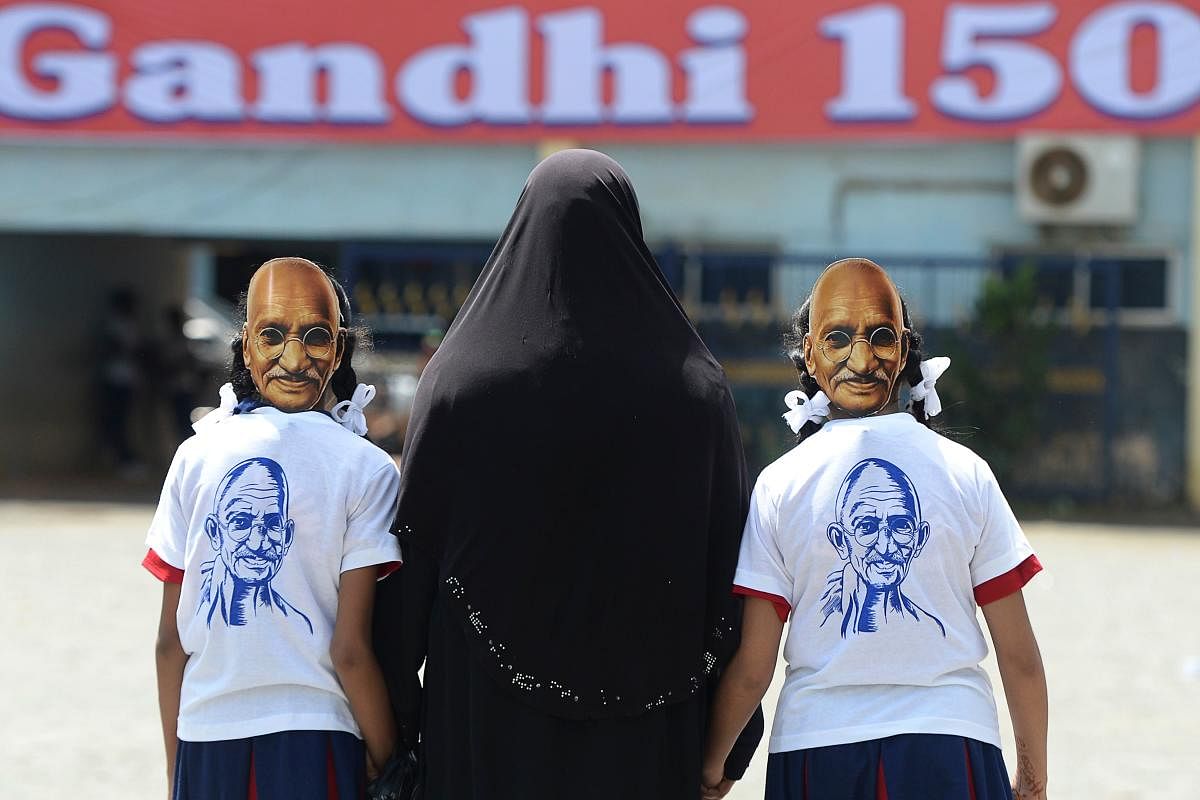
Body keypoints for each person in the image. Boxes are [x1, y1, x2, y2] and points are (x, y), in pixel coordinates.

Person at [373, 149, 761, 799]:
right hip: (647, 738)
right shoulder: (695, 387)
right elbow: (729, 566)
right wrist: (725, 748)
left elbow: (413, 555)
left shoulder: (461, 379)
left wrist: (401, 719)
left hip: (484, 731)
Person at [702, 258, 1048, 800]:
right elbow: (1020, 656)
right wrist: (1032, 782)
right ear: (811, 356)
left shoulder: (779, 486)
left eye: (879, 337)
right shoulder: (966, 473)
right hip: (953, 745)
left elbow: (754, 666)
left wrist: (712, 767)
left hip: (818, 750)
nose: (862, 359)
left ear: (904, 350)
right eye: (841, 337)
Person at [143, 257, 402, 799]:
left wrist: (176, 776)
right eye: (272, 335)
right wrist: (390, 758)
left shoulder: (194, 456)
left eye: (313, 337)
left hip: (205, 741)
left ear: (339, 349)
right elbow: (349, 651)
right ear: (244, 346)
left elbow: (170, 646)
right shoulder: (366, 467)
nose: (292, 358)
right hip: (318, 742)